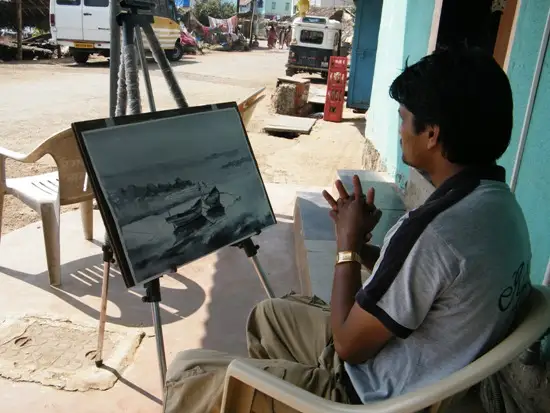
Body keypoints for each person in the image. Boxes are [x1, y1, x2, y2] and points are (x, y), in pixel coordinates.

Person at [163, 46, 532, 413]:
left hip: (364, 394)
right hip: (415, 366)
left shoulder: (433, 231)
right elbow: (426, 282)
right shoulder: (500, 206)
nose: (400, 130)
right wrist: (364, 246)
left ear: (432, 133)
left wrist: (347, 244)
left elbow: (347, 345)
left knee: (188, 375)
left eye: (403, 118)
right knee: (268, 317)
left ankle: (289, 395)